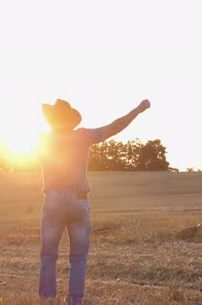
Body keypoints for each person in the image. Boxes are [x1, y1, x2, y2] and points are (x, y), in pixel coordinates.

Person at [38, 98, 151, 304]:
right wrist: (138, 109)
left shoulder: (43, 140)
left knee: (48, 254)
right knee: (79, 257)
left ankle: (47, 299)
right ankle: (75, 301)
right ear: (71, 121)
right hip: (79, 202)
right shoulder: (83, 136)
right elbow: (115, 127)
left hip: (53, 200)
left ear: (52, 121)